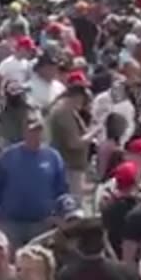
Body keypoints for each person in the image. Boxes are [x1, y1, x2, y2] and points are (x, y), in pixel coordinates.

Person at [0, 116, 69, 248]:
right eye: (31, 131)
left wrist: (60, 216)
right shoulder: (8, 156)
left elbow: (62, 190)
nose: (35, 135)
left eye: (39, 131)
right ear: (24, 132)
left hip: (42, 223)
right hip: (11, 223)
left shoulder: (53, 157)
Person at [48, 72, 94, 203]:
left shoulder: (70, 110)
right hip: (68, 167)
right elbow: (73, 143)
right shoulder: (64, 112)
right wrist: (93, 134)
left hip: (73, 167)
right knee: (72, 209)